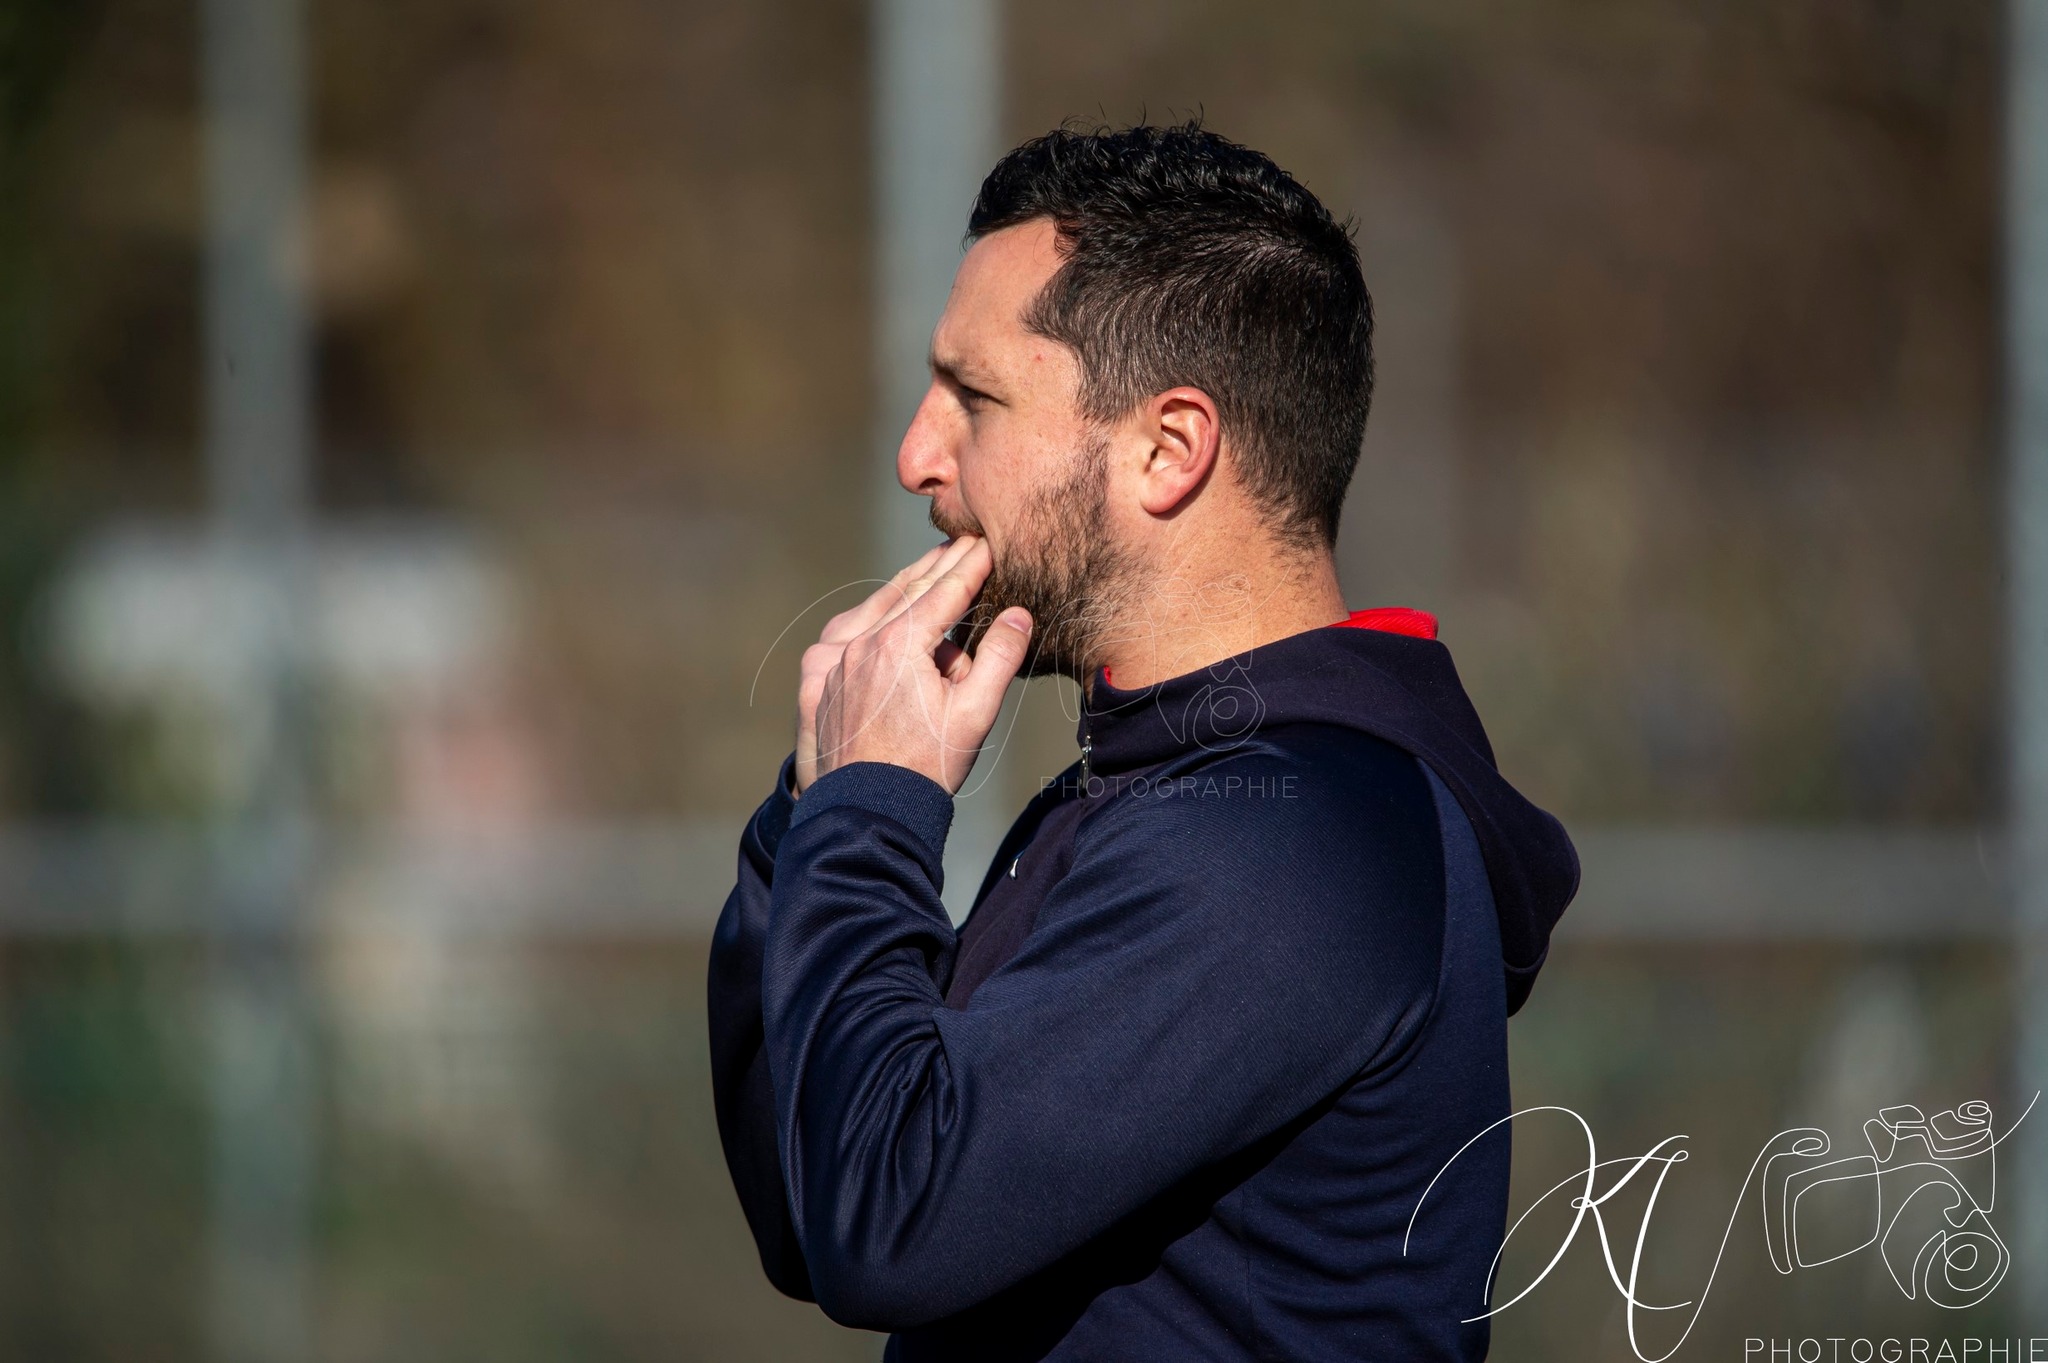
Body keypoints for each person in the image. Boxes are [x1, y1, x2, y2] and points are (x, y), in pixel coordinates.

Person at [707, 121, 1578, 1361]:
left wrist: (869, 811)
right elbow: (812, 1201)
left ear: (1168, 450)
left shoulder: (1296, 837)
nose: (916, 455)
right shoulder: (1155, 795)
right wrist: (809, 817)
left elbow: (886, 1216)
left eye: (974, 397)